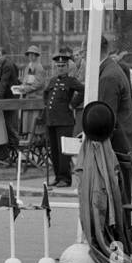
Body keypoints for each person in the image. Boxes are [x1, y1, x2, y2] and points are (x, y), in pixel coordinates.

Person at [96, 35, 132, 205]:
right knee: (120, 195)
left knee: (118, 197)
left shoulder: (108, 76)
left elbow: (107, 116)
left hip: (119, 144)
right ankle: (121, 230)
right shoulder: (111, 70)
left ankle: (120, 231)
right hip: (123, 141)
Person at [43, 52, 84, 186]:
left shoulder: (71, 81)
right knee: (54, 151)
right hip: (52, 120)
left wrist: (73, 104)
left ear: (67, 67)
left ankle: (65, 179)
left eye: (63, 66)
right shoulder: (53, 80)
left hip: (64, 120)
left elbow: (83, 90)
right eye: (58, 65)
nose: (60, 68)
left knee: (63, 151)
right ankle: (57, 176)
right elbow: (46, 94)